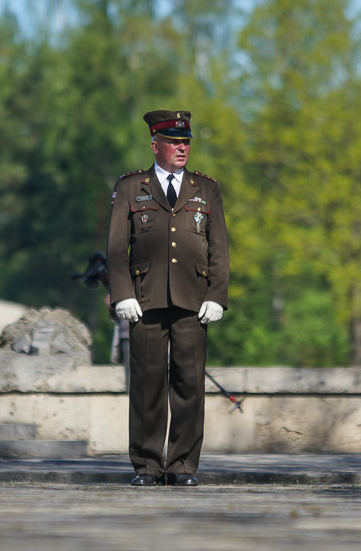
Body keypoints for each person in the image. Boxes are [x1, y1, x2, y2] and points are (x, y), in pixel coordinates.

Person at [107, 110, 229, 486]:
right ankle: (146, 465)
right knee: (147, 385)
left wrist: (217, 295)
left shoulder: (205, 188)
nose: (182, 148)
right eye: (175, 142)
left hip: (194, 300)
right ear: (155, 144)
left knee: (190, 384)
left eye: (186, 142)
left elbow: (219, 247)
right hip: (145, 301)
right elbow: (115, 248)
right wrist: (123, 294)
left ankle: (182, 466)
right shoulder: (131, 186)